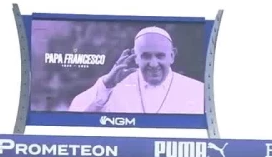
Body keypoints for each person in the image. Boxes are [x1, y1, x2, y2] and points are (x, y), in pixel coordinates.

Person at [68, 27, 204, 115]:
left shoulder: (197, 90)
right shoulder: (114, 88)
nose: (153, 63)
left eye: (160, 56)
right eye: (146, 56)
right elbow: (74, 114)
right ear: (135, 56)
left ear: (172, 55)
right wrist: (107, 85)